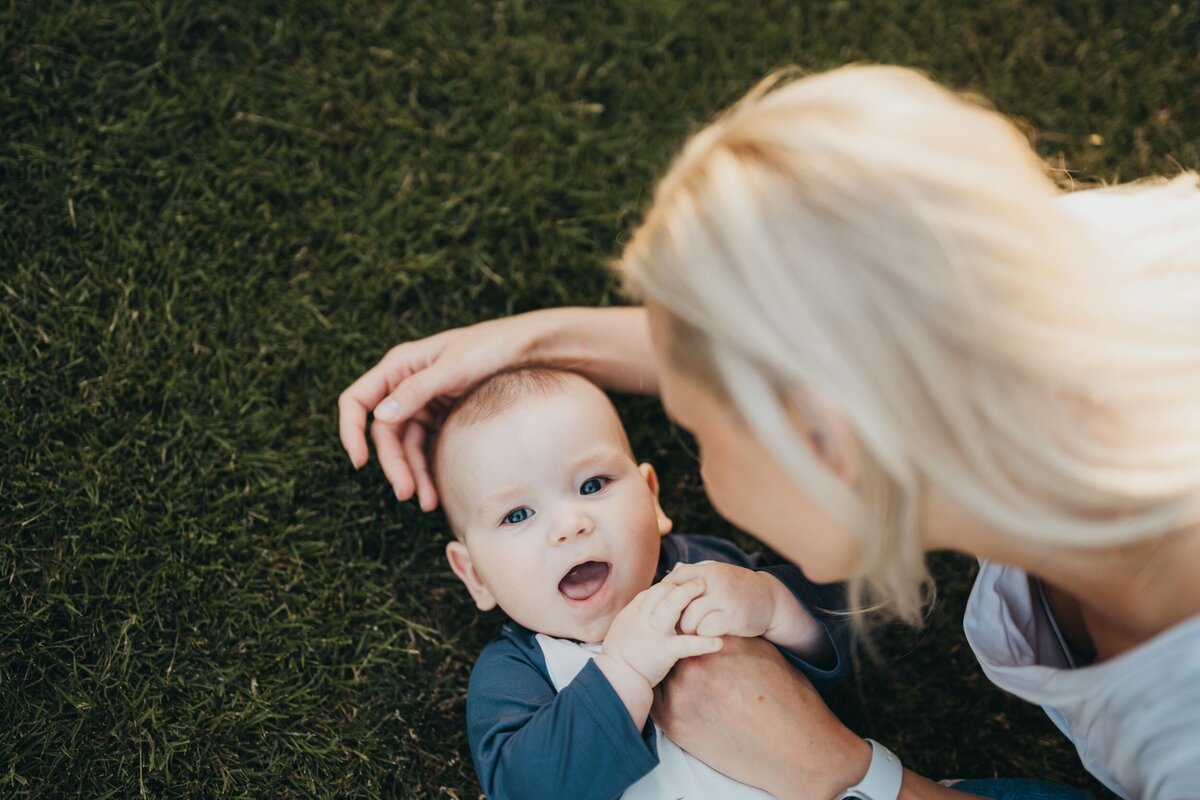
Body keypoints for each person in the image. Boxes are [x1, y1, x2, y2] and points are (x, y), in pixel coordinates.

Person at [339, 64, 1200, 800]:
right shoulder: (1058, 275)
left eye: (698, 429)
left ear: (829, 441)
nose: (697, 472)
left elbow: (835, 632)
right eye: (517, 516)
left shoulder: (1182, 726)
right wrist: (531, 342)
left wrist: (851, 773)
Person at [433, 366, 844, 800]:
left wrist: (775, 604)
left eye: (593, 485)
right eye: (517, 515)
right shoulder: (514, 674)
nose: (571, 525)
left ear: (652, 498)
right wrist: (623, 673)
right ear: (476, 575)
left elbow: (850, 626)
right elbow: (525, 788)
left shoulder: (703, 571)